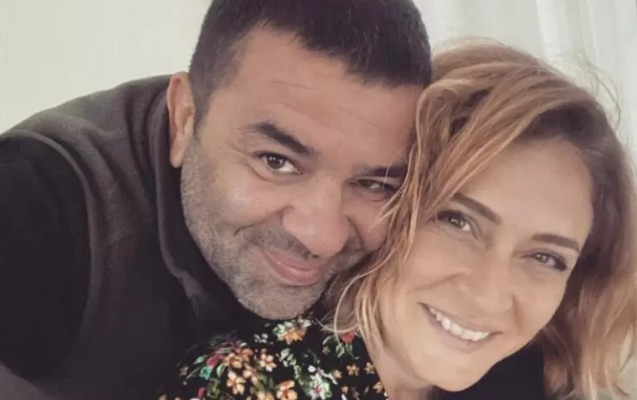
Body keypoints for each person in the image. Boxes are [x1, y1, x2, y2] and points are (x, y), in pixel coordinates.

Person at [0, 1, 545, 399]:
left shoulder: (418, 249)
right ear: (185, 118)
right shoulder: (38, 206)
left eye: (373, 183)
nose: (322, 236)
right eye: (276, 161)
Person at [157, 43, 637, 400]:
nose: (490, 295)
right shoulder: (248, 384)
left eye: (545, 257)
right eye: (458, 221)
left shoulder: (534, 379)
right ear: (389, 201)